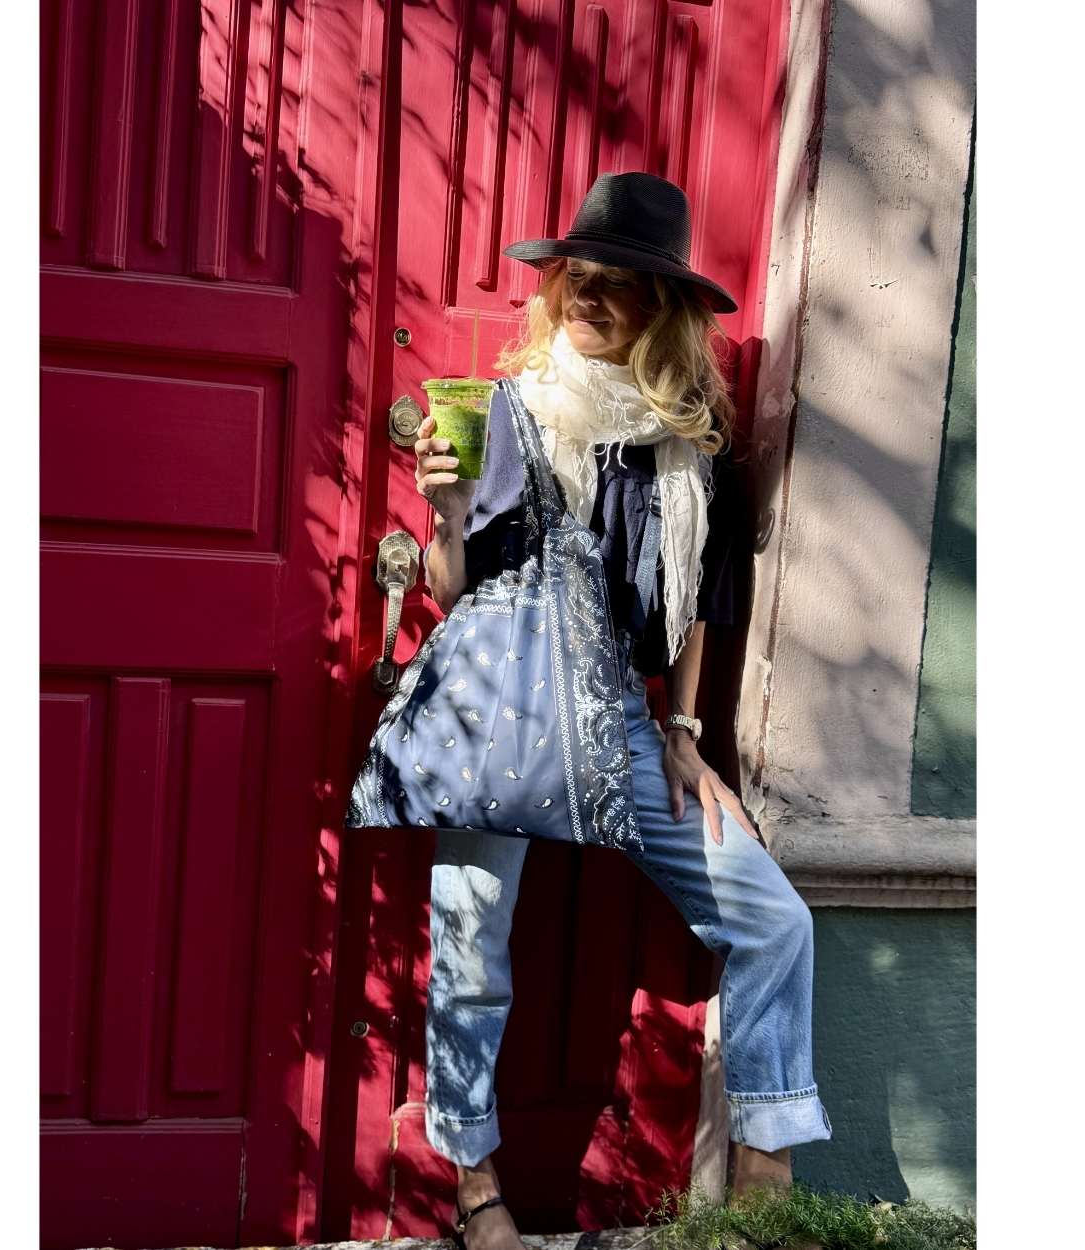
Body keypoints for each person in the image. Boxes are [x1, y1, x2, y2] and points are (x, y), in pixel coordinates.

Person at [412, 173, 831, 1250]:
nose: (589, 297)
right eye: (575, 278)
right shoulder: (507, 412)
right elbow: (457, 592)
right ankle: (474, 1189)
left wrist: (685, 734)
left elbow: (698, 607)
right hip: (494, 716)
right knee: (470, 948)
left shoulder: (691, 446)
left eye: (620, 284)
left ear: (663, 307)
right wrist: (449, 511)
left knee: (773, 916)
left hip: (614, 726)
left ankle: (759, 1172)